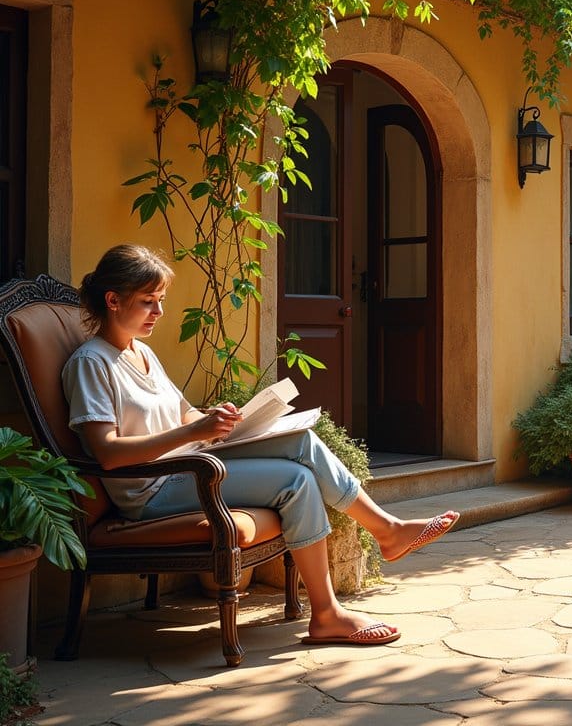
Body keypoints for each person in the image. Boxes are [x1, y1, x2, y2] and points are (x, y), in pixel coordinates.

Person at [61, 244, 459, 646]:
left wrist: (218, 419)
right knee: (296, 480)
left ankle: (331, 608)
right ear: (113, 300)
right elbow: (107, 453)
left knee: (299, 442)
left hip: (189, 464)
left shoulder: (141, 352)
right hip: (152, 489)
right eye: (149, 302)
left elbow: (184, 414)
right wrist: (191, 434)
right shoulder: (91, 363)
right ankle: (376, 547)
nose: (159, 313)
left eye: (160, 301)